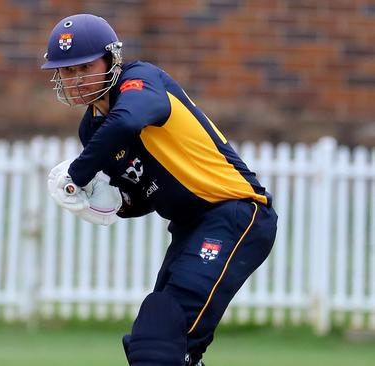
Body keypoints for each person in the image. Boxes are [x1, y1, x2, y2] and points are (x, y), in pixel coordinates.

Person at [41, 14, 278, 366]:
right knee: (153, 340)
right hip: (189, 226)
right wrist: (114, 202)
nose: (75, 80)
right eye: (66, 71)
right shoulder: (92, 130)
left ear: (111, 60)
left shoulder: (142, 81)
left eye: (84, 67)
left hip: (236, 212)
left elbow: (128, 120)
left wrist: (76, 174)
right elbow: (143, 194)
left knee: (163, 334)